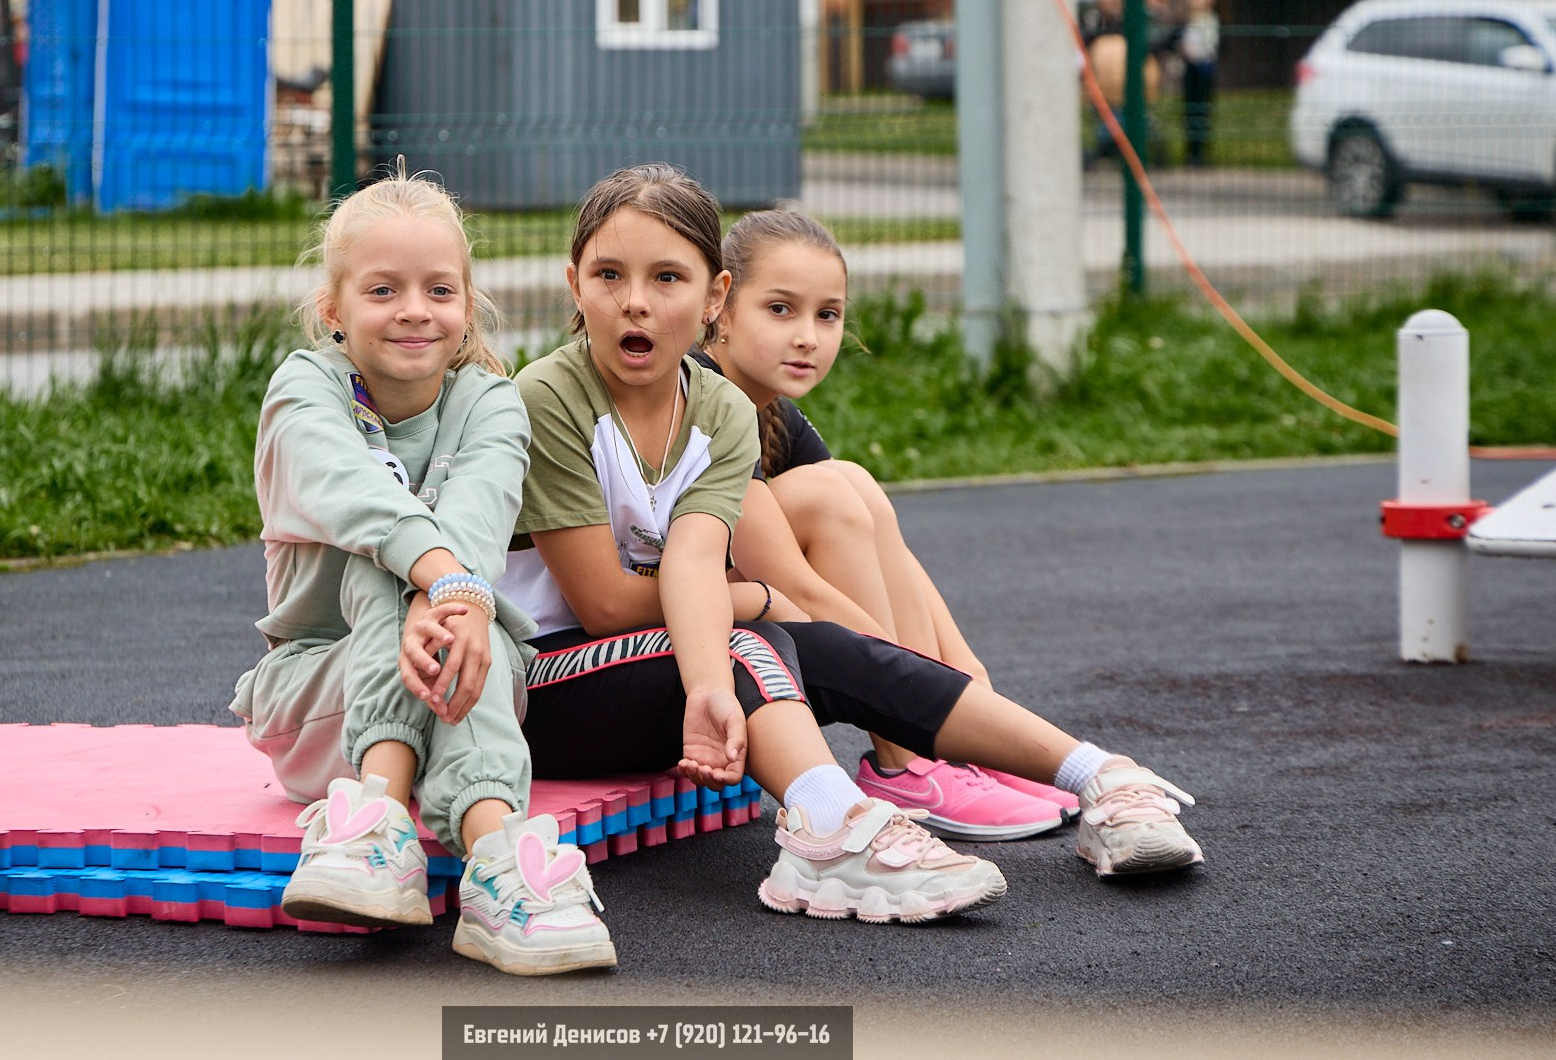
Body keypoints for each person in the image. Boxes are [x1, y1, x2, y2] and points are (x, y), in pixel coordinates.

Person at [499, 164, 1204, 927]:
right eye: (609, 274)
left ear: (713, 297)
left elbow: (694, 561)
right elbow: (605, 606)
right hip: (537, 685)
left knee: (822, 645)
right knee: (750, 640)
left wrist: (737, 634)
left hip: (648, 668)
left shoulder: (722, 410)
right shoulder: (549, 395)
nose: (635, 299)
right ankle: (831, 831)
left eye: (667, 277)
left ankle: (1098, 776)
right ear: (574, 284)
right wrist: (754, 604)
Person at [229, 168, 615, 976]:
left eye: (439, 289)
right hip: (315, 697)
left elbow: (478, 518)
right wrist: (445, 582)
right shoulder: (303, 389)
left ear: (467, 305)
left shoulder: (491, 401)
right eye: (383, 290)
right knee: (388, 563)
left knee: (461, 611)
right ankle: (416, 827)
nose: (414, 309)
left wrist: (449, 587)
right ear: (333, 309)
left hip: (468, 669)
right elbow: (355, 497)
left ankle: (479, 865)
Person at [699, 209, 1082, 840]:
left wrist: (972, 685)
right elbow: (797, 585)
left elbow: (885, 545)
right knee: (828, 495)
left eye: (828, 315)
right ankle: (907, 763)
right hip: (663, 624)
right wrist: (918, 697)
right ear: (721, 307)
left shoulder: (775, 413)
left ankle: (950, 756)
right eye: (780, 309)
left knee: (851, 483)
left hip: (748, 601)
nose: (808, 337)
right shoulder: (704, 397)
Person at [1179, 0, 1222, 168]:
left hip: (1205, 70)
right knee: (1189, 111)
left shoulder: (1213, 20)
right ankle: (1191, 153)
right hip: (1189, 70)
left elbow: (1219, 46)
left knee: (1203, 111)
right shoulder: (1185, 20)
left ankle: (1201, 153)